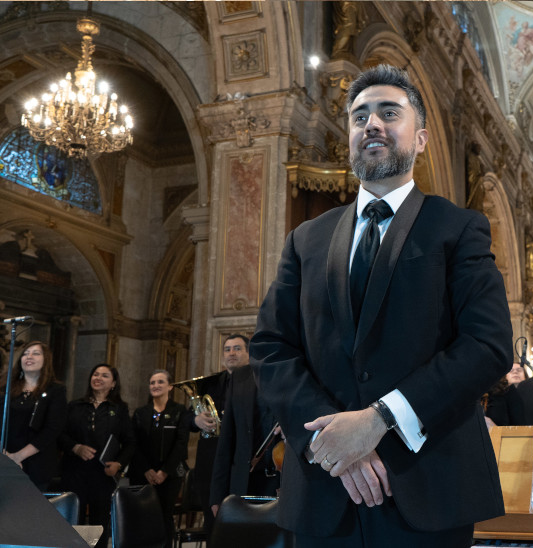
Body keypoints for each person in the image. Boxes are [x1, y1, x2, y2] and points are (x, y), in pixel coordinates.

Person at [250, 64, 512, 547]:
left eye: (389, 113)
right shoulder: (307, 238)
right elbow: (270, 346)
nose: (371, 124)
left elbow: (488, 345)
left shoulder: (458, 228)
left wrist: (377, 420)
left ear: (421, 139)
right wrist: (332, 446)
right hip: (323, 493)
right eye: (359, 117)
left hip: (427, 486)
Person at [61, 363, 134, 548]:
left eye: (104, 375)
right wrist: (75, 447)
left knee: (99, 523)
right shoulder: (75, 405)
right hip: (75, 471)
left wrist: (119, 463)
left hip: (103, 474)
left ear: (113, 383)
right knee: (72, 521)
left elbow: (130, 442)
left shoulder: (119, 409)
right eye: (95, 374)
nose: (98, 378)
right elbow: (59, 434)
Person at [189, 333, 246, 534]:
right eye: (227, 349)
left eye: (237, 349)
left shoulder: (258, 382)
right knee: (212, 524)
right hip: (210, 465)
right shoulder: (209, 384)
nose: (231, 353)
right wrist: (196, 420)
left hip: (242, 463)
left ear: (248, 353)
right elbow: (187, 419)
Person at [210, 357, 280, 516]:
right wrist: (217, 494)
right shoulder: (240, 376)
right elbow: (227, 438)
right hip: (246, 478)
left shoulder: (292, 369)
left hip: (282, 477)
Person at [130, 370, 192, 548]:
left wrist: (164, 471)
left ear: (170, 387)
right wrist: (147, 470)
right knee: (143, 516)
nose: (155, 386)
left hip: (170, 475)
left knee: (164, 515)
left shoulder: (180, 411)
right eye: (152, 382)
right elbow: (134, 443)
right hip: (143, 474)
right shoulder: (141, 413)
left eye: (160, 382)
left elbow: (181, 444)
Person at [0, 340, 66, 490]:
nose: (29, 357)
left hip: (37, 462)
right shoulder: (6, 388)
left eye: (35, 353)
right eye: (25, 354)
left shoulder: (55, 390)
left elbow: (53, 428)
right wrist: (5, 455)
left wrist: (18, 457)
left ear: (46, 360)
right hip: (4, 458)